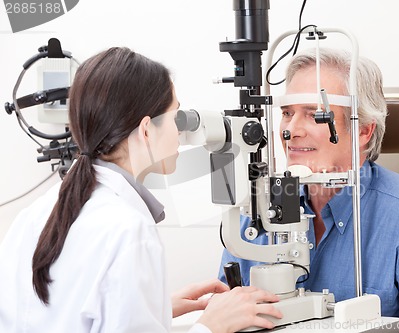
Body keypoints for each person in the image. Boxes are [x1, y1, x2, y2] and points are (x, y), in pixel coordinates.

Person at [0, 47, 282, 333]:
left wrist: (155, 308)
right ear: (147, 130)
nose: (180, 135)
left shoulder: (35, 213)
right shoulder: (128, 230)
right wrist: (210, 326)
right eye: (176, 118)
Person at [219, 48, 399, 332]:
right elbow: (227, 310)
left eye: (314, 114)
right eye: (287, 113)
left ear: (363, 130)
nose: (291, 130)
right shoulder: (258, 212)